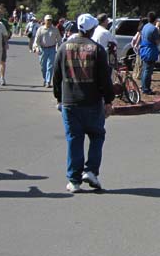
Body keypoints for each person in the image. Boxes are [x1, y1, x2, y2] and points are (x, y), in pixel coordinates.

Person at [53, 14, 115, 193]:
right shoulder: (96, 50)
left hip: (70, 102)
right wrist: (109, 100)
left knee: (74, 139)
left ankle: (74, 180)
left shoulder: (64, 48)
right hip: (92, 102)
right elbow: (105, 79)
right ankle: (91, 171)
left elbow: (56, 77)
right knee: (97, 135)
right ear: (92, 29)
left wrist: (59, 98)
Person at [138, 12, 160, 95]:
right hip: (150, 51)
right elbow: (157, 42)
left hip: (144, 50)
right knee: (148, 71)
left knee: (145, 69)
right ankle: (146, 89)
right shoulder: (153, 29)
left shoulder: (146, 26)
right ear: (155, 19)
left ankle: (143, 86)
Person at [34, 14, 62, 87]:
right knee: (43, 66)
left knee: (50, 66)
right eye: (47, 20)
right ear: (44, 21)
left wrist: (60, 48)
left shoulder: (55, 29)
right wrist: (36, 47)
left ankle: (48, 81)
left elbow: (59, 40)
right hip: (43, 49)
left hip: (52, 49)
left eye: (50, 20)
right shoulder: (40, 29)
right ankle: (45, 78)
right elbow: (36, 40)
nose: (49, 21)